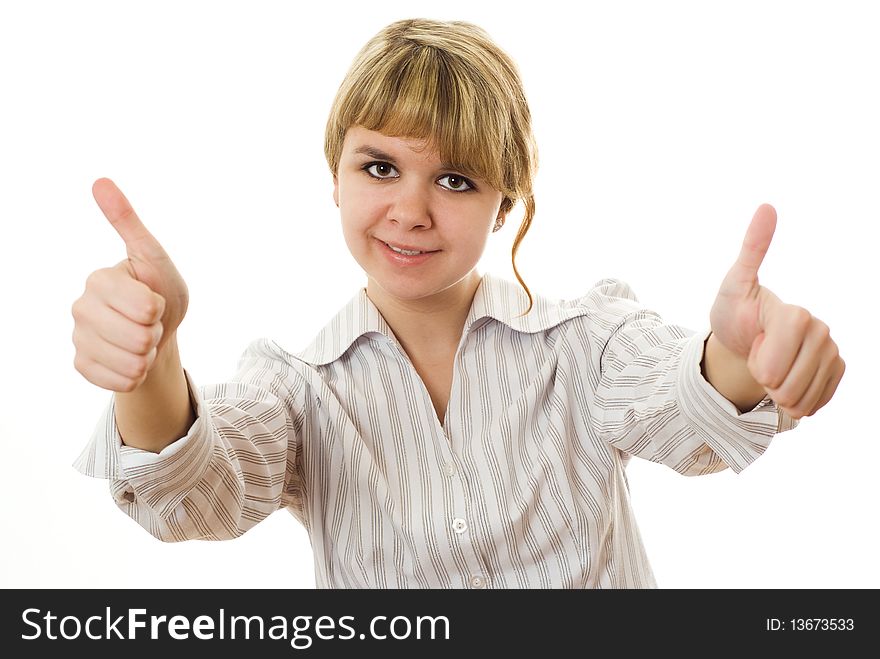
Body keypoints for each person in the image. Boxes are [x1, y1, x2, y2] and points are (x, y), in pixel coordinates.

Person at [71, 18, 844, 588]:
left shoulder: (584, 344)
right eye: (378, 168)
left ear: (505, 204)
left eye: (455, 180)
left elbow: (681, 398)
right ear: (334, 174)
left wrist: (741, 358)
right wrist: (150, 362)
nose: (410, 210)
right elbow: (197, 493)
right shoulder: (298, 388)